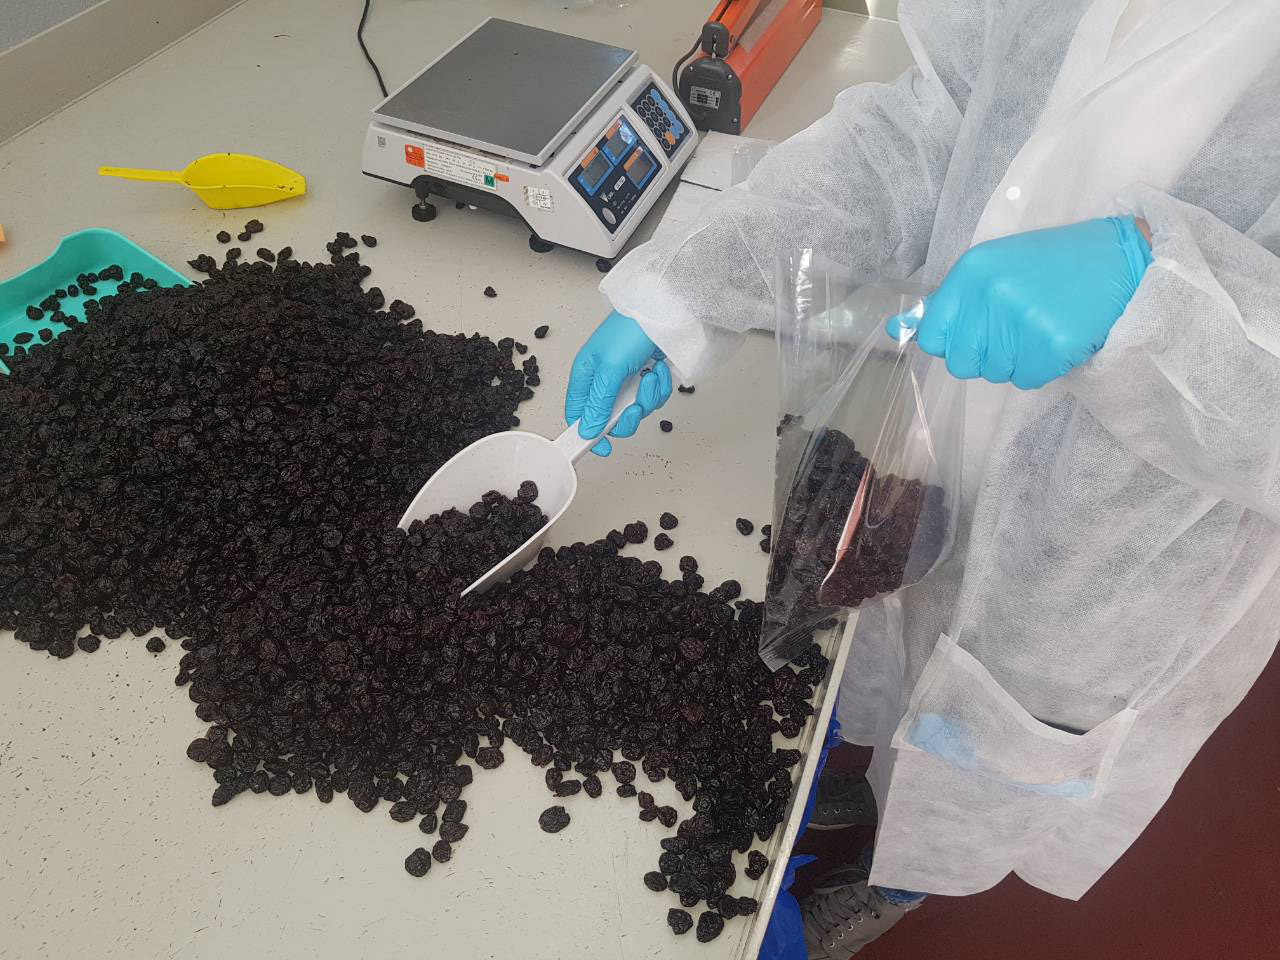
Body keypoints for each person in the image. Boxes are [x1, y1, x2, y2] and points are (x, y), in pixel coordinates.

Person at [565, 0, 1280, 955]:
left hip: (1114, 557)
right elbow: (931, 122)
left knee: (982, 758)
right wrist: (691, 285)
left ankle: (901, 879)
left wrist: (1160, 302)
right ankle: (864, 788)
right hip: (924, 438)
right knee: (885, 645)